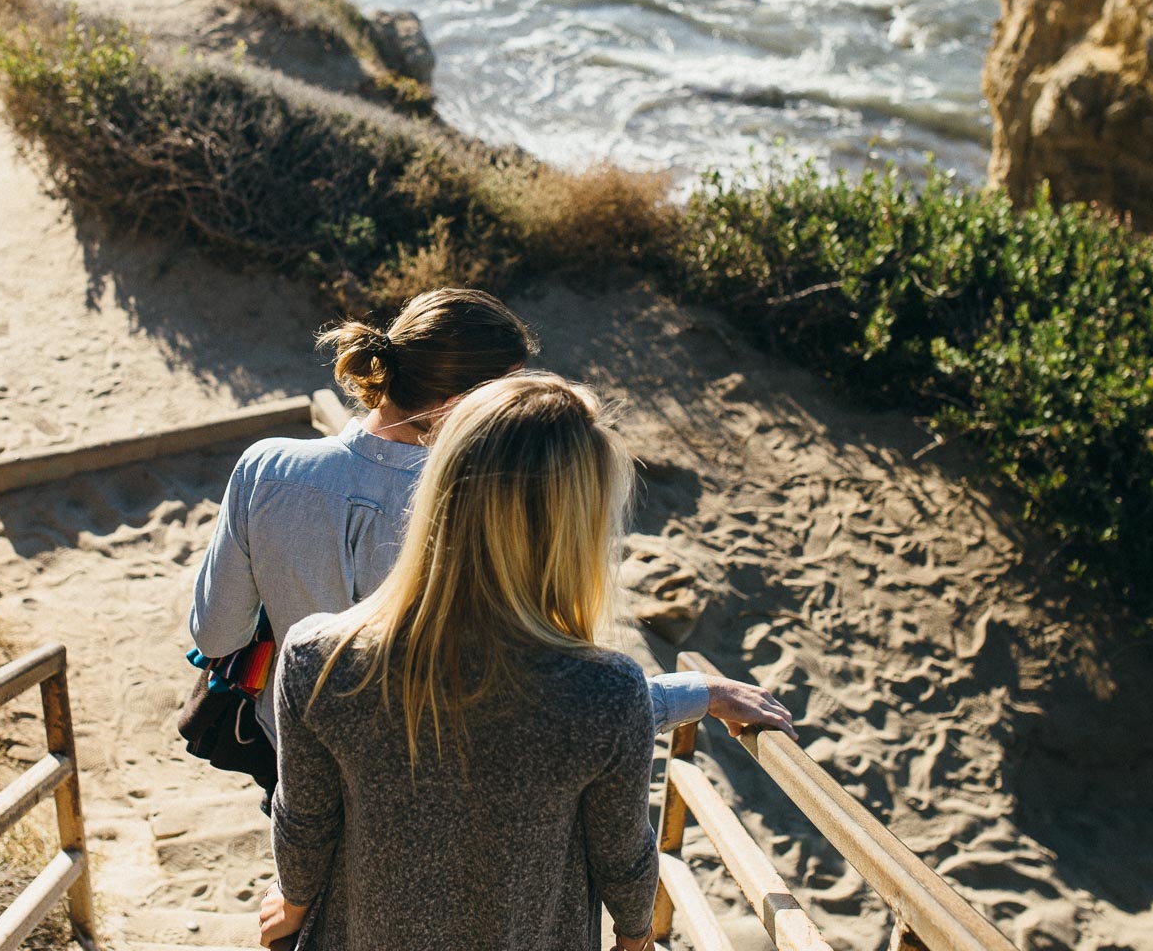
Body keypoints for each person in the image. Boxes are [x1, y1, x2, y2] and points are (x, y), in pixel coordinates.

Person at [187, 288, 796, 759]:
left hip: (293, 758)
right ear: (460, 404)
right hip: (430, 778)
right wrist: (700, 694)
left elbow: (215, 638)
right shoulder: (485, 507)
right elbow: (548, 695)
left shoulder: (266, 468)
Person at [260, 374, 661, 950]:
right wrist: (636, 934)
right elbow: (623, 853)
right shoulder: (608, 692)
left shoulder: (320, 660)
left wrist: (293, 903)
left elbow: (304, 823)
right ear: (577, 528)